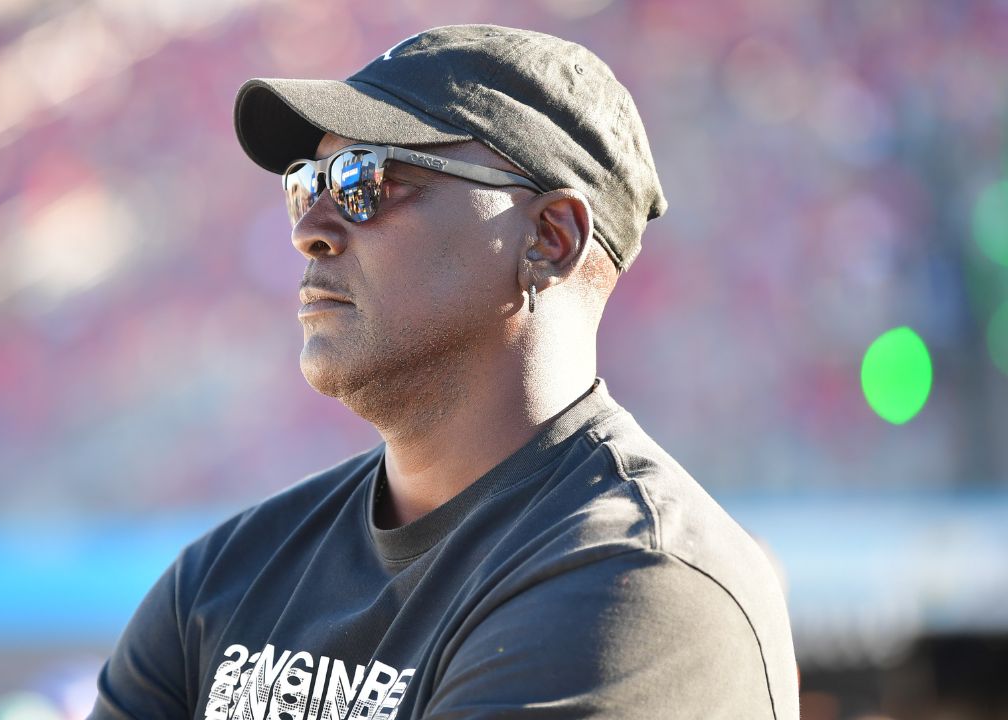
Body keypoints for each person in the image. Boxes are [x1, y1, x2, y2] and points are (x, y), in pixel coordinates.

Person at [90, 24, 798, 720]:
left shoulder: (636, 580)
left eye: (369, 179)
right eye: (307, 185)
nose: (313, 226)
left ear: (551, 239)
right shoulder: (223, 580)